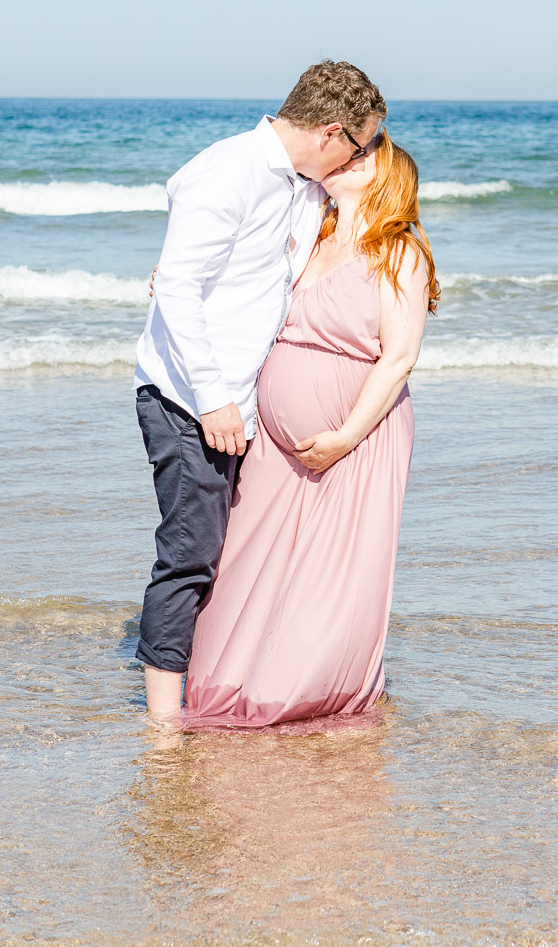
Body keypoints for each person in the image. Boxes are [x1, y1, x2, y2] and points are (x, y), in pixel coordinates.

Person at [133, 61, 387, 721]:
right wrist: (214, 399)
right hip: (191, 402)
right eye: (362, 146)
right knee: (188, 556)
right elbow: (181, 289)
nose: (362, 158)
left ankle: (217, 683)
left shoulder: (303, 188)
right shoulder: (231, 170)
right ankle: (162, 725)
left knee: (230, 552)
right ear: (332, 133)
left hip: (236, 406)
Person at [183, 128, 440, 727]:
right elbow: (236, 274)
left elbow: (399, 357)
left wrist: (346, 436)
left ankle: (302, 684)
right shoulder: (306, 234)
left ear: (387, 176)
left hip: (358, 436)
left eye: (365, 154)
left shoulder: (398, 250)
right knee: (248, 552)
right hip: (274, 439)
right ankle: (222, 674)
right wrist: (175, 274)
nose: (350, 158)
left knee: (331, 564)